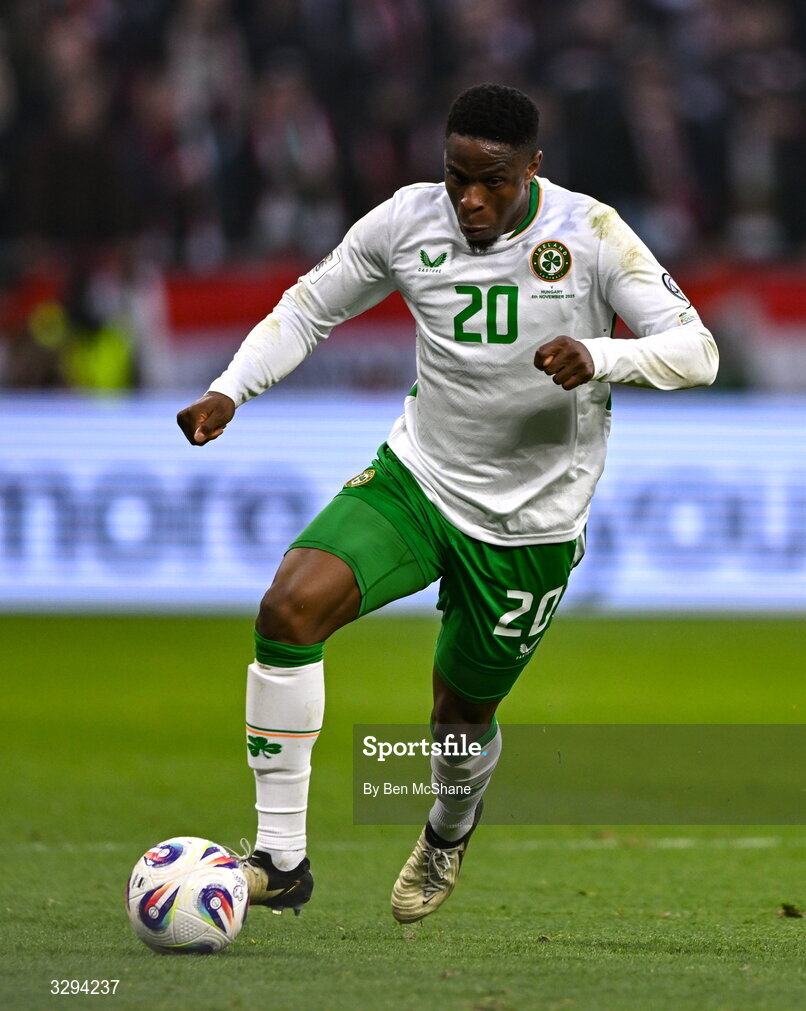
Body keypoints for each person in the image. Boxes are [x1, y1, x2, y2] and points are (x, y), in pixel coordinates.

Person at [177, 83, 718, 923]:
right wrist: (230, 390)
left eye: (493, 180)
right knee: (288, 609)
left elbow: (698, 350)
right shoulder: (406, 221)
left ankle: (447, 829)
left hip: (530, 525)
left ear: (533, 167)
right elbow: (309, 309)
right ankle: (279, 859)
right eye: (457, 176)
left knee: (457, 719)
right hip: (419, 479)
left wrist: (603, 357)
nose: (470, 199)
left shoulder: (592, 233)